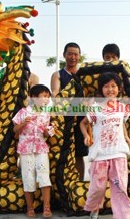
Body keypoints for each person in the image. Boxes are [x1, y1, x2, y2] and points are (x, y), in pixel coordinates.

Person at [80, 72, 130, 219]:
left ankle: (122, 216)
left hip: (118, 153)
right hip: (100, 153)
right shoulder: (96, 108)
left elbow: (121, 123)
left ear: (119, 88)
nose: (110, 89)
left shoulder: (122, 108)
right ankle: (95, 208)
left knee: (120, 187)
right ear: (101, 89)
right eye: (106, 86)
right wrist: (87, 136)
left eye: (113, 86)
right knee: (97, 187)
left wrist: (126, 136)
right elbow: (83, 123)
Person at [12, 84, 55, 218]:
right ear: (33, 98)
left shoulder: (46, 114)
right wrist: (24, 123)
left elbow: (46, 134)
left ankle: (46, 208)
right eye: (44, 96)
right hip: (26, 150)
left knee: (44, 176)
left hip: (41, 148)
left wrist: (50, 131)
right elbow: (15, 130)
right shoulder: (23, 112)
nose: (46, 100)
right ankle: (30, 208)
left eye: (48, 97)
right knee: (28, 177)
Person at [50, 42, 88, 180]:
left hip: (80, 120)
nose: (73, 57)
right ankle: (61, 182)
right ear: (64, 55)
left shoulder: (84, 74)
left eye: (76, 54)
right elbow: (55, 93)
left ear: (79, 56)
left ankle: (80, 183)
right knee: (62, 152)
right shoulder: (58, 75)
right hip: (64, 120)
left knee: (79, 154)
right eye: (70, 54)